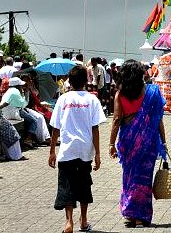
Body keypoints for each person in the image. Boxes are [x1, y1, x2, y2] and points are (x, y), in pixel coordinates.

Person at [109, 60, 167, 228]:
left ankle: (130, 215)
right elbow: (158, 119)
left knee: (130, 177)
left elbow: (116, 120)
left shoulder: (120, 94)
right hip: (148, 142)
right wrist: (163, 141)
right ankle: (142, 215)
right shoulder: (151, 92)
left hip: (128, 141)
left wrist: (111, 144)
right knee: (144, 179)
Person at [49, 65, 106, 233]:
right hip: (85, 151)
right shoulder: (92, 100)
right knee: (83, 185)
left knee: (67, 186)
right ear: (86, 81)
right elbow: (95, 128)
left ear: (70, 82)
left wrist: (52, 151)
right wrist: (97, 154)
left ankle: (69, 222)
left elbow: (55, 128)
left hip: (67, 151)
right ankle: (84, 220)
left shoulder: (63, 99)